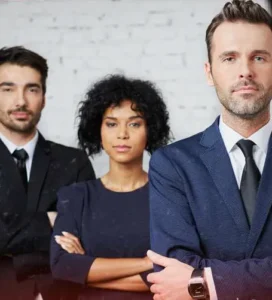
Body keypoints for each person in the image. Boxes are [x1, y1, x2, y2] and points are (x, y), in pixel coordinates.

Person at [147, 1, 272, 300]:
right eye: (229, 58)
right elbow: (170, 272)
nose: (246, 71)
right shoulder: (172, 164)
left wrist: (205, 282)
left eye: (259, 57)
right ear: (209, 72)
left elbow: (185, 281)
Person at [50, 74, 171, 299]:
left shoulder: (168, 196)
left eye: (134, 124)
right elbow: (62, 267)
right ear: (99, 130)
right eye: (112, 124)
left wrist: (87, 271)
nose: (122, 134)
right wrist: (145, 263)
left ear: (150, 130)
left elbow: (171, 275)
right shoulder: (76, 197)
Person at [0, 46, 96, 300]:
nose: (20, 101)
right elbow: (63, 237)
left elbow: (85, 236)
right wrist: (50, 221)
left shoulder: (73, 161)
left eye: (32, 89)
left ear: (43, 96)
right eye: (7, 89)